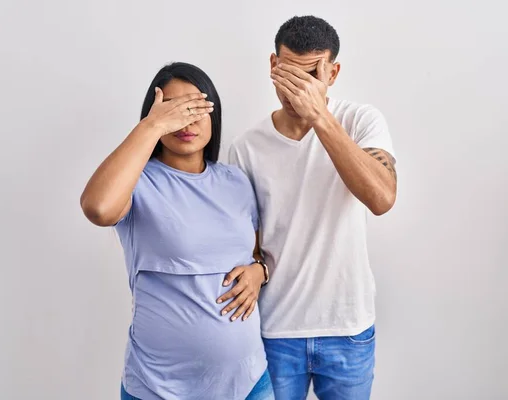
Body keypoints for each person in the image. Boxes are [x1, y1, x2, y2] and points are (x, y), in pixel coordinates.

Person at [80, 62, 274, 400]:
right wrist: (151, 126)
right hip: (158, 388)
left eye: (196, 107)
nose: (186, 120)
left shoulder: (235, 181)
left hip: (249, 382)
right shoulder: (137, 182)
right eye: (173, 108)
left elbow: (256, 251)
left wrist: (260, 272)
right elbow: (97, 207)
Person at [228, 16, 397, 400]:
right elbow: (245, 241)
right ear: (273, 65)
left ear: (332, 73)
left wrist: (320, 116)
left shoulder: (360, 121)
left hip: (347, 328)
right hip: (275, 329)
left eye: (311, 75)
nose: (298, 90)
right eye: (289, 74)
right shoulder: (246, 147)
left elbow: (382, 198)